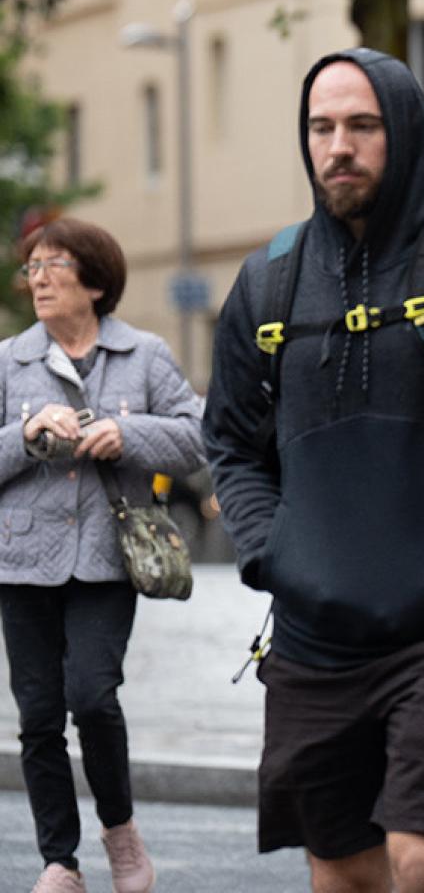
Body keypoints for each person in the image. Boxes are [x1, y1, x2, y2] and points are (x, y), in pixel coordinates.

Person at [202, 49, 424, 892]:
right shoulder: (268, 281)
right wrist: (273, 553)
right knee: (342, 871)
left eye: (362, 126)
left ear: (404, 131)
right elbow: (229, 443)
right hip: (312, 633)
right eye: (321, 127)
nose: (339, 147)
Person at [0, 218, 206, 893]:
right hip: (22, 559)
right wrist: (27, 433)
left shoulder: (144, 355)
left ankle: (120, 830)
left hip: (107, 557)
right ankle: (60, 861)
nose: (38, 280)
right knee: (37, 717)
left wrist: (127, 432)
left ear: (94, 280)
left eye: (52, 265)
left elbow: (196, 436)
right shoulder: (10, 360)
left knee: (91, 697)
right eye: (31, 268)